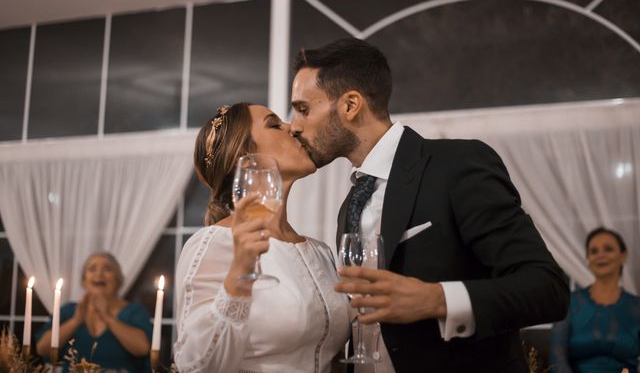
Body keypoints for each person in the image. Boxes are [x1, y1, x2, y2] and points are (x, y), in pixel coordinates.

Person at [289, 37, 570, 372]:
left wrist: (437, 299)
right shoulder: (352, 201)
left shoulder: (456, 165)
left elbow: (548, 289)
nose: (294, 125)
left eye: (304, 109)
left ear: (350, 105)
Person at [173, 103, 351, 372]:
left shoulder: (320, 252)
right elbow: (196, 366)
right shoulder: (215, 244)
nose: (292, 127)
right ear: (243, 155)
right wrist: (239, 276)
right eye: (275, 124)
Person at [35, 252, 152, 372]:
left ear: (118, 280)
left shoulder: (134, 311)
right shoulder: (68, 310)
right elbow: (42, 348)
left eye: (107, 268)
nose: (99, 273)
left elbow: (142, 349)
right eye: (92, 269)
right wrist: (75, 321)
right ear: (84, 280)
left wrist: (107, 317)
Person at [550, 227, 640, 372]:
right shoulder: (569, 303)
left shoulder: (637, 307)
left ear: (623, 255)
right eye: (594, 251)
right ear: (588, 260)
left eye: (608, 249)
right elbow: (557, 358)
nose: (600, 255)